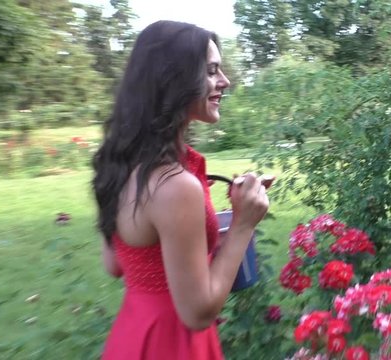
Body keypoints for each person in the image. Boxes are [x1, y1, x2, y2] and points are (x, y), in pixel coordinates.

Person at [92, 20, 270, 359]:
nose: (225, 82)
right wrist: (243, 224)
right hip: (173, 345)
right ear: (174, 81)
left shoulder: (120, 164)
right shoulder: (174, 185)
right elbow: (198, 312)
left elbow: (115, 264)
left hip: (132, 337)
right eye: (212, 71)